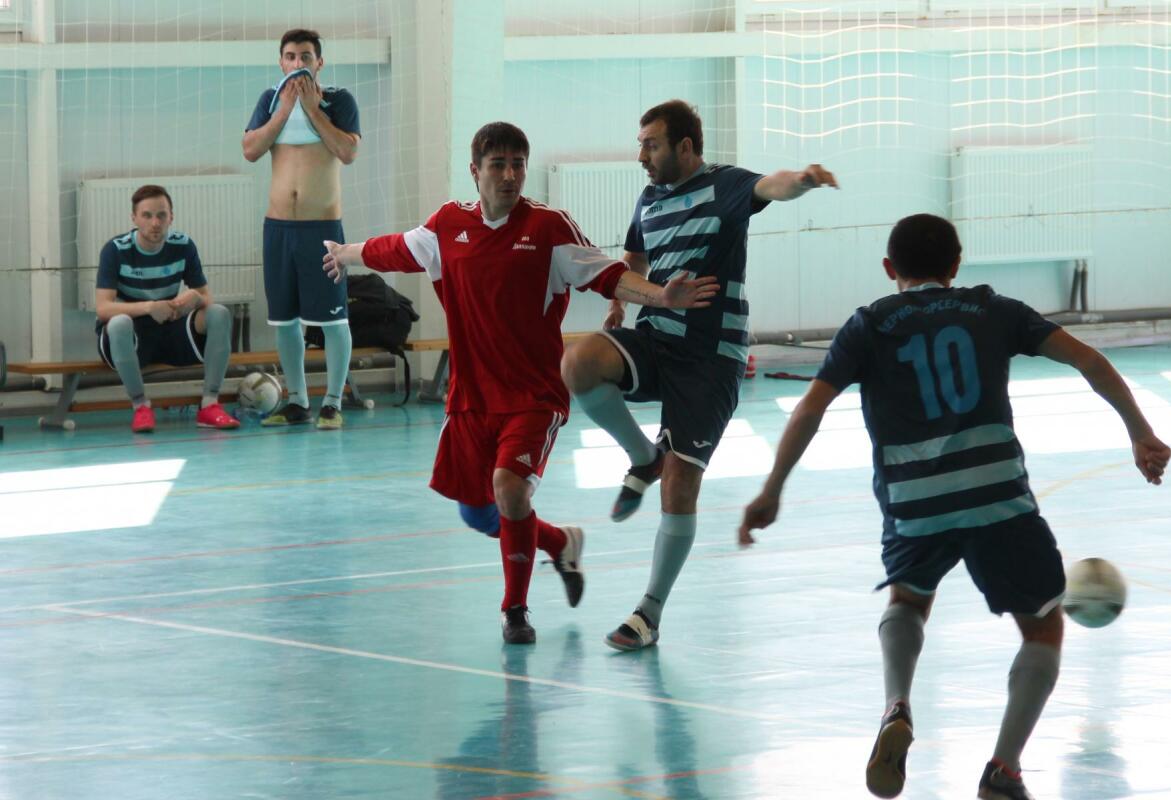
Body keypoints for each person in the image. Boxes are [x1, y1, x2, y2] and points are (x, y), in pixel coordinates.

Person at [738, 214, 1171, 799]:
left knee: (908, 600)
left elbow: (810, 409)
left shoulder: (869, 323)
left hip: (913, 500)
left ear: (889, 268)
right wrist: (1140, 433)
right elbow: (1089, 360)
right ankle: (1003, 770)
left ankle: (896, 704)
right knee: (1042, 625)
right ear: (956, 265)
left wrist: (772, 489)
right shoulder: (994, 309)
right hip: (997, 495)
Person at [322, 122, 718, 645]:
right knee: (478, 512)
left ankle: (515, 610)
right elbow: (395, 249)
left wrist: (660, 296)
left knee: (509, 489)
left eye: (518, 165)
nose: (509, 175)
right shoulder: (448, 227)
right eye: (498, 165)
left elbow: (605, 273)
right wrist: (345, 253)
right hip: (470, 399)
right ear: (475, 172)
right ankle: (560, 543)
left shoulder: (548, 228)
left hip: (533, 397)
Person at [559, 99, 838, 652]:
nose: (641, 156)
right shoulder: (649, 198)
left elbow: (773, 185)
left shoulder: (725, 186)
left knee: (680, 483)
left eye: (651, 144)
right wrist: (620, 302)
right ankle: (643, 456)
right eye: (641, 144)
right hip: (658, 339)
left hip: (711, 358)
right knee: (578, 363)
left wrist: (804, 180)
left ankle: (649, 612)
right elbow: (636, 259)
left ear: (685, 146)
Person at [242, 28, 360, 430]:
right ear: (281, 62)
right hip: (278, 229)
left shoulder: (338, 100)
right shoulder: (269, 100)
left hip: (321, 228)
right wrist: (285, 109)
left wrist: (311, 109)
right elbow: (251, 150)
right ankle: (297, 401)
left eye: (305, 57)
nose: (297, 64)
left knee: (333, 320)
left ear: (319, 63)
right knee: (284, 319)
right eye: (290, 57)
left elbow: (347, 151)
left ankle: (332, 403)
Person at [94, 185, 240, 434]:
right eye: (147, 215)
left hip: (169, 328)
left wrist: (194, 298)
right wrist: (149, 307)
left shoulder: (183, 245)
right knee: (118, 323)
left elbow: (207, 298)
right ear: (134, 218)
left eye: (161, 215)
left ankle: (209, 404)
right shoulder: (115, 250)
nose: (155, 223)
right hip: (129, 338)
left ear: (171, 217)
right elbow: (103, 309)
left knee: (219, 313)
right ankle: (140, 407)